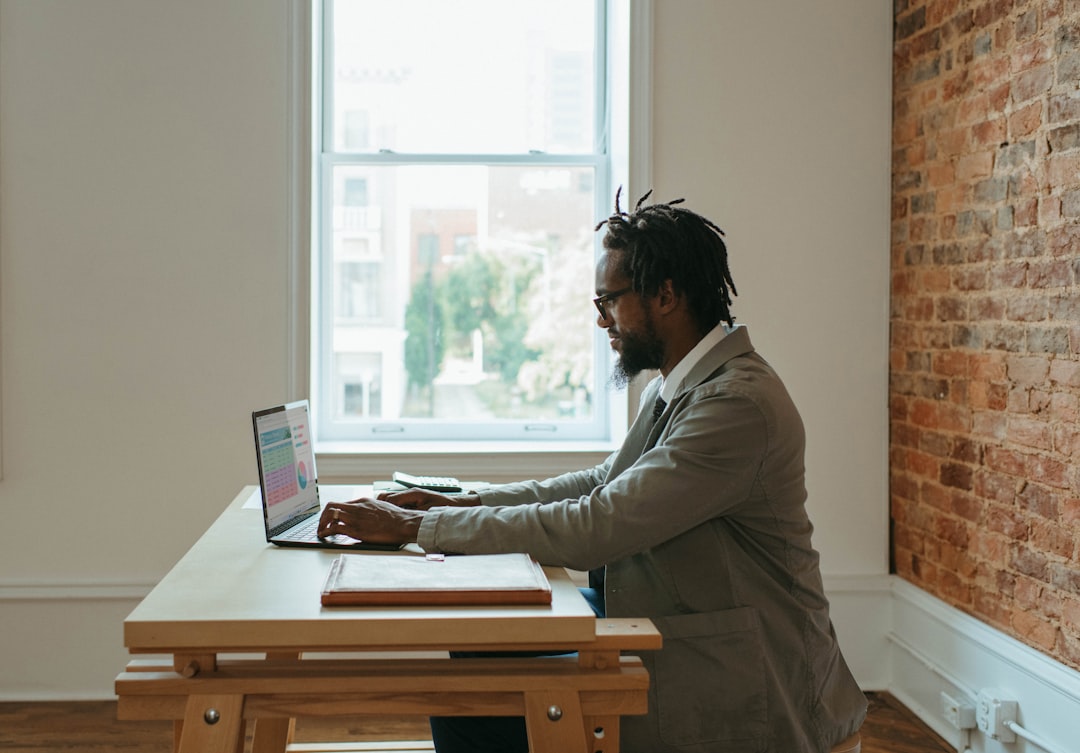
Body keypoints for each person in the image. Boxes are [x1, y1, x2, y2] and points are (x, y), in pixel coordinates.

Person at [318, 189, 868, 752]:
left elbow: (598, 524)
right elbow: (601, 484)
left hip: (748, 677)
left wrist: (416, 530)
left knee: (473, 697)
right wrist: (463, 505)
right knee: (473, 662)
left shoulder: (736, 406)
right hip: (666, 621)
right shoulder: (677, 387)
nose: (602, 320)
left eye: (609, 300)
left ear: (666, 295)